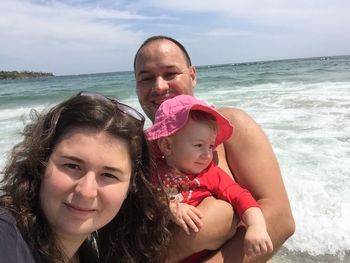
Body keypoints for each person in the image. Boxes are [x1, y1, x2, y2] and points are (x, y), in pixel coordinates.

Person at [134, 35, 295, 262]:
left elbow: (280, 219)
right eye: (146, 78)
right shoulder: (133, 148)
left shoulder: (233, 126)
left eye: (171, 74)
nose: (159, 86)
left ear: (192, 76)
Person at [0, 91, 170, 263]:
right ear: (40, 165)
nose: (86, 191)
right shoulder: (7, 238)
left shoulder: (90, 254)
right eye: (72, 166)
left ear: (131, 188)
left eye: (108, 175)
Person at [146, 95, 273, 261]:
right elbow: (141, 201)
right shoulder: (152, 171)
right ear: (167, 146)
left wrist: (256, 226)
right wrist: (170, 207)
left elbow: (241, 197)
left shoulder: (210, 173)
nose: (207, 154)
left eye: (211, 146)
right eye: (199, 145)